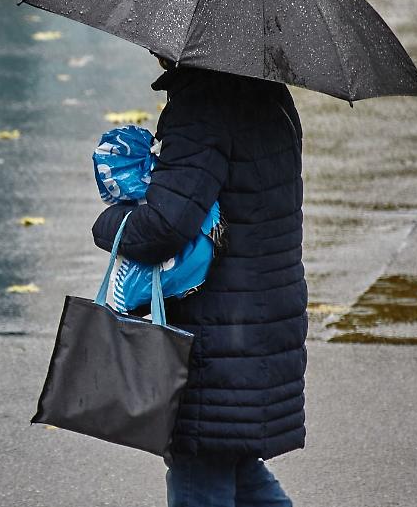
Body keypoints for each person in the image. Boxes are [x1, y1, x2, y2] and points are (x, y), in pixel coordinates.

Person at [92, 54, 307, 507]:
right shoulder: (270, 96)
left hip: (216, 334)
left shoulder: (203, 106)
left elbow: (165, 226)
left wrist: (109, 224)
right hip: (262, 322)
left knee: (201, 471)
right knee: (232, 464)